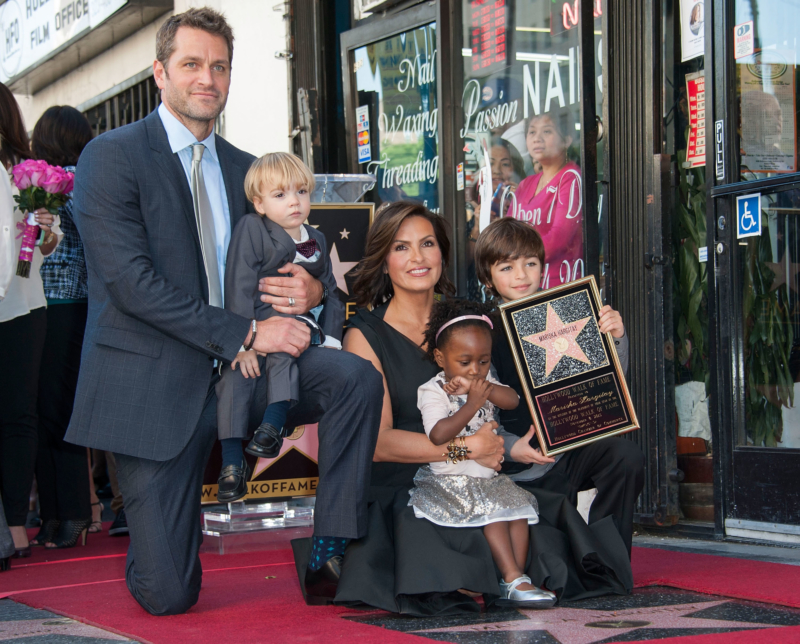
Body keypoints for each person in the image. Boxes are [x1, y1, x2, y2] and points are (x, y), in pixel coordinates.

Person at [67, 7, 381, 615]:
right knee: (168, 595)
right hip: (154, 384)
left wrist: (315, 295)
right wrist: (247, 331)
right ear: (160, 72)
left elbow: (314, 262)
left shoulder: (249, 171)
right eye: (191, 64)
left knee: (354, 380)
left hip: (253, 376)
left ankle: (332, 545)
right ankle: (162, 542)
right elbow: (131, 284)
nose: (206, 78)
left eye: (219, 66)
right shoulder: (110, 157)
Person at [325, 201, 630, 616]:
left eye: (427, 244)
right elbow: (379, 444)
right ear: (383, 260)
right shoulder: (364, 335)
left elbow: (548, 386)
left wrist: (606, 338)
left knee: (620, 450)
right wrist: (465, 450)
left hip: (497, 460)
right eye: (401, 247)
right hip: (415, 476)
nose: (417, 258)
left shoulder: (474, 317)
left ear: (443, 254)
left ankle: (610, 562)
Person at [474, 217, 644, 556]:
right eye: (506, 267)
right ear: (488, 278)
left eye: (530, 263)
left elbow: (606, 385)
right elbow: (479, 412)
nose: (521, 275)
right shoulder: (482, 330)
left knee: (625, 456)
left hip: (572, 450)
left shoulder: (568, 309)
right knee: (556, 563)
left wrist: (615, 338)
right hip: (518, 466)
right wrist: (509, 448)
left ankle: (611, 556)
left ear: (542, 266)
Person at [214, 152, 344, 502]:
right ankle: (231, 464)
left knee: (287, 346)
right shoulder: (253, 229)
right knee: (233, 378)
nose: (294, 202)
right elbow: (239, 284)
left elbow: (331, 293)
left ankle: (271, 426)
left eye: (302, 191)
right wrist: (244, 342)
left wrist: (331, 341)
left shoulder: (316, 237)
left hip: (299, 326)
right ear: (258, 203)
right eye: (280, 195)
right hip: (255, 325)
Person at [410, 299, 555, 607]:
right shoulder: (433, 390)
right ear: (440, 357)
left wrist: (483, 390)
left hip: (486, 477)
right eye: (465, 362)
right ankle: (513, 575)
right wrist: (473, 403)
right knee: (495, 515)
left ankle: (514, 581)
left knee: (519, 514)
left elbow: (513, 400)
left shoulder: (484, 382)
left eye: (484, 361)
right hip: (453, 477)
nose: (476, 370)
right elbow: (438, 435)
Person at [27, 106, 95, 549]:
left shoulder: (65, 181)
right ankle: (57, 513)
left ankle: (70, 513)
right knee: (50, 409)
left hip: (62, 302)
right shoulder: (49, 180)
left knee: (56, 410)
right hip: (57, 304)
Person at [0, 82, 62, 559]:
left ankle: (16, 521)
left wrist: (44, 230)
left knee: (20, 415)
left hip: (24, 304)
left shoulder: (21, 173)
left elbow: (48, 245)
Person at [514, 109, 583, 288]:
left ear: (567, 140)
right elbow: (507, 232)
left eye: (547, 131)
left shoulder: (571, 177)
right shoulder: (525, 184)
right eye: (532, 132)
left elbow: (558, 238)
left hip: (559, 286)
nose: (537, 138)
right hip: (523, 286)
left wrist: (513, 258)